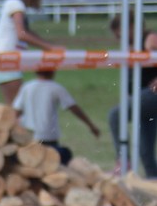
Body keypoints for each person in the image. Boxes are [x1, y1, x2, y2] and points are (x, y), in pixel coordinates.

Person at [0, 0, 60, 105]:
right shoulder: (16, 5)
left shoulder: (15, 4)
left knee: (15, 106)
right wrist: (50, 47)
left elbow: (26, 32)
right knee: (16, 107)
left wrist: (49, 45)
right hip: (6, 60)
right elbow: (22, 34)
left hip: (7, 60)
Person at [13, 68, 100, 165]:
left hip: (28, 136)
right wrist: (90, 125)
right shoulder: (56, 88)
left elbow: (16, 110)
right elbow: (73, 108)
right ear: (53, 71)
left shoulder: (26, 87)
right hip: (48, 137)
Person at [108, 14, 157, 178]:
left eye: (119, 33)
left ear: (131, 26)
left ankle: (123, 160)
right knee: (145, 152)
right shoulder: (130, 45)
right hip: (143, 97)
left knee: (115, 115)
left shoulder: (149, 39)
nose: (118, 38)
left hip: (151, 95)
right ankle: (153, 184)